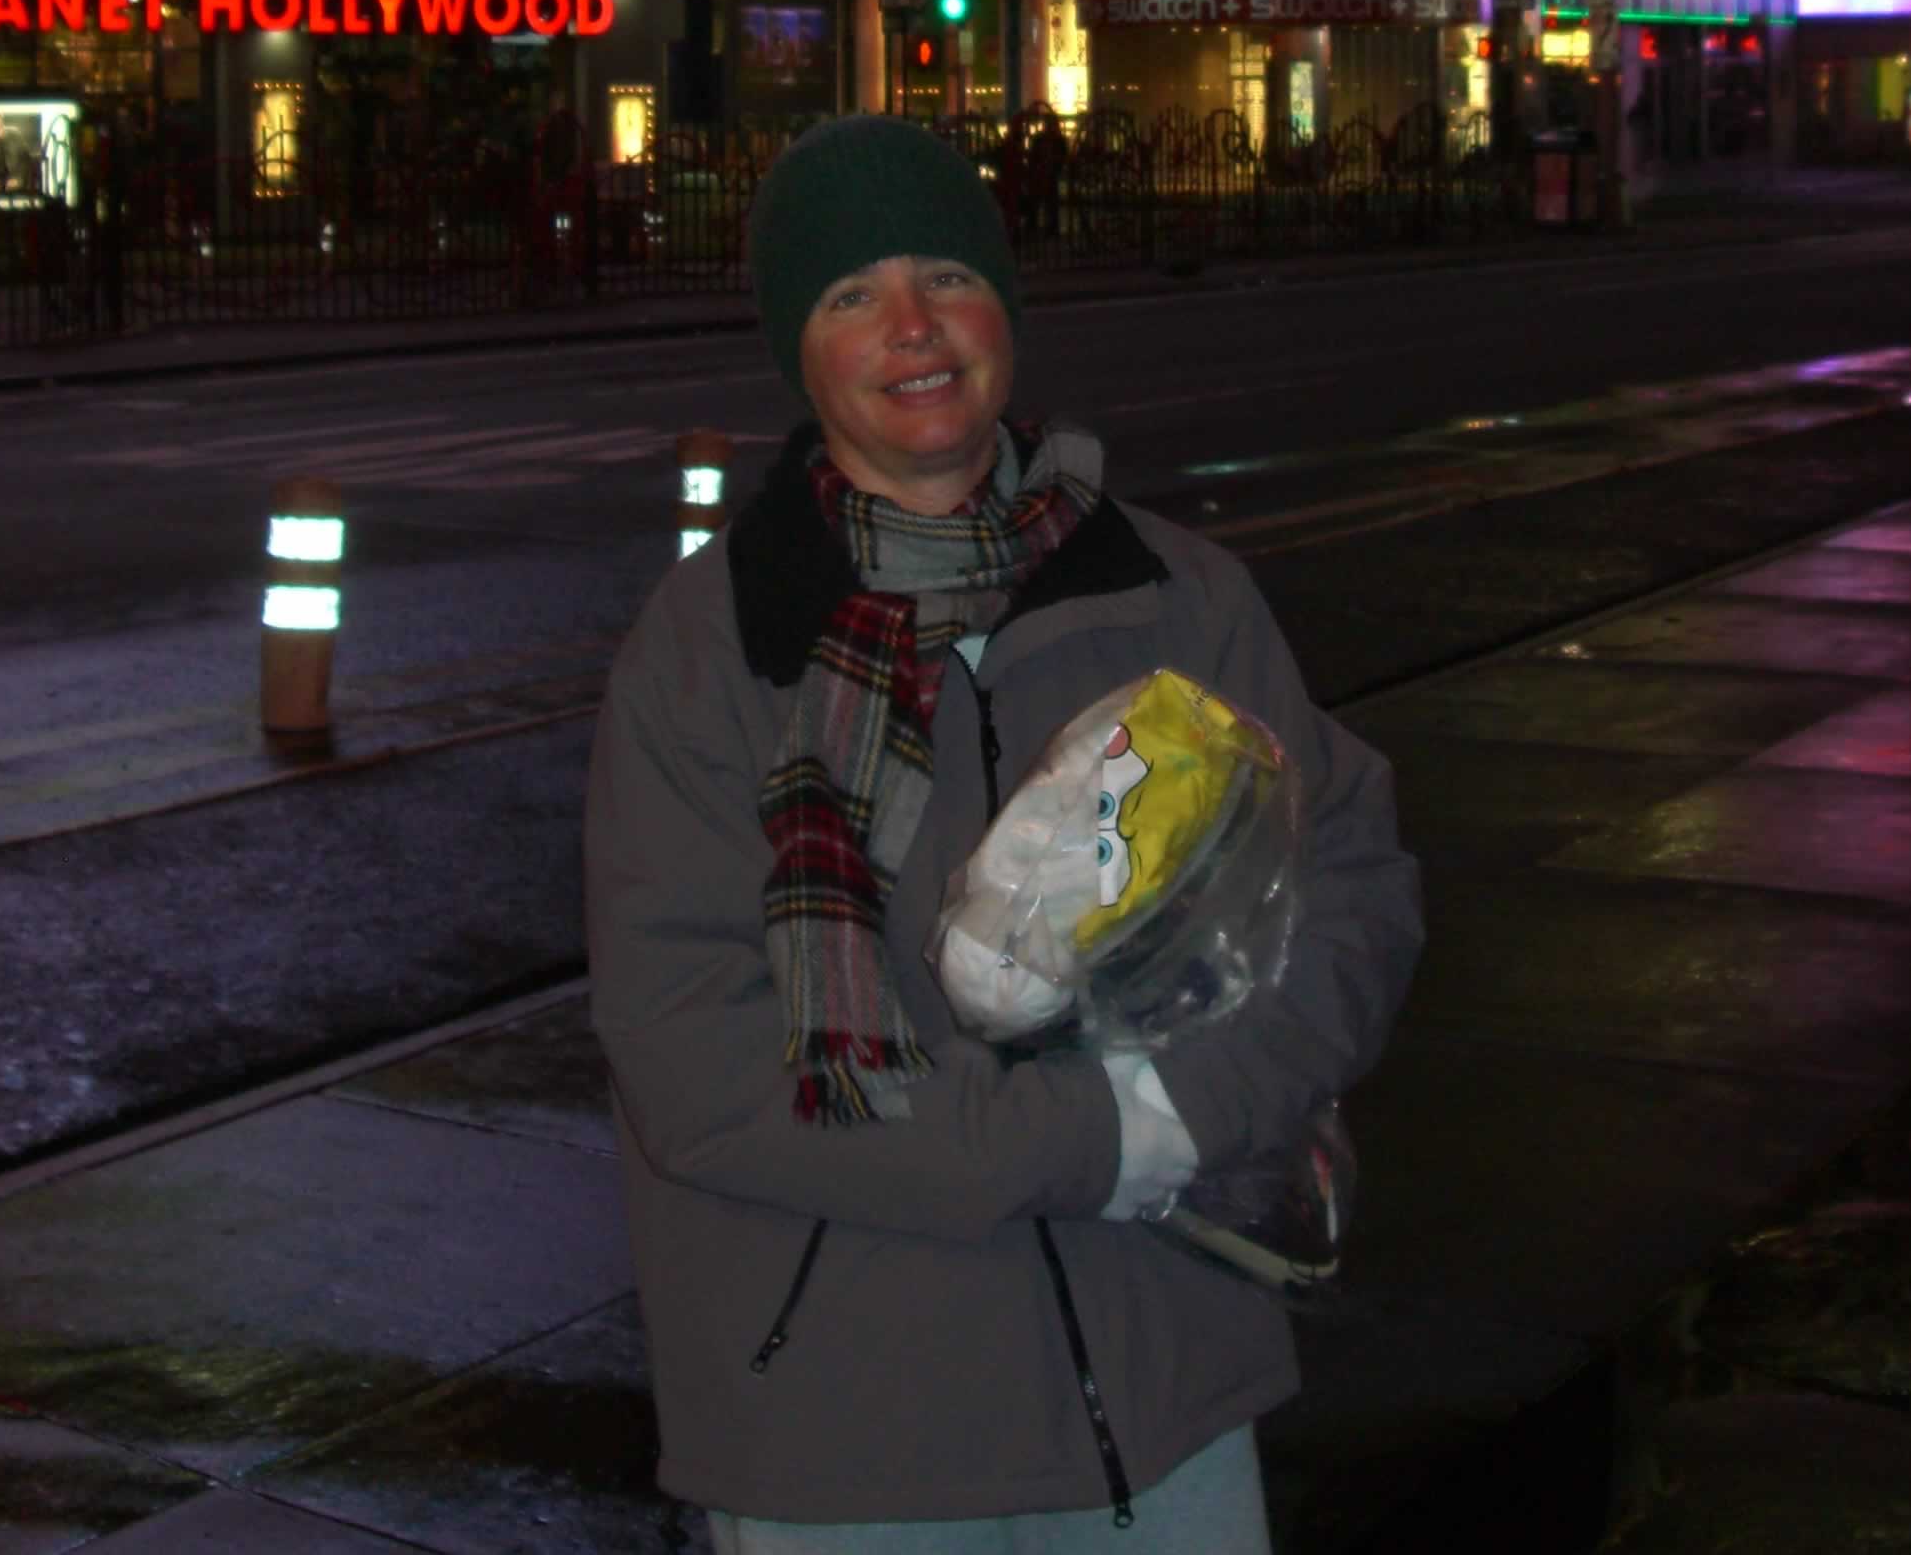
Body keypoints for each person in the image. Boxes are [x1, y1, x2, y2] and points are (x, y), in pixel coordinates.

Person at [586, 118, 1419, 1547]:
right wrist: (1086, 1139)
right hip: (848, 1439)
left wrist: (1187, 1115)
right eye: (852, 295)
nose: (912, 328)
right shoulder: (708, 651)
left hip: (1159, 1408)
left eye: (948, 276)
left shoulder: (1178, 598)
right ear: (801, 345)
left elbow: (1352, 893)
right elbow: (700, 1060)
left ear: (1006, 312)